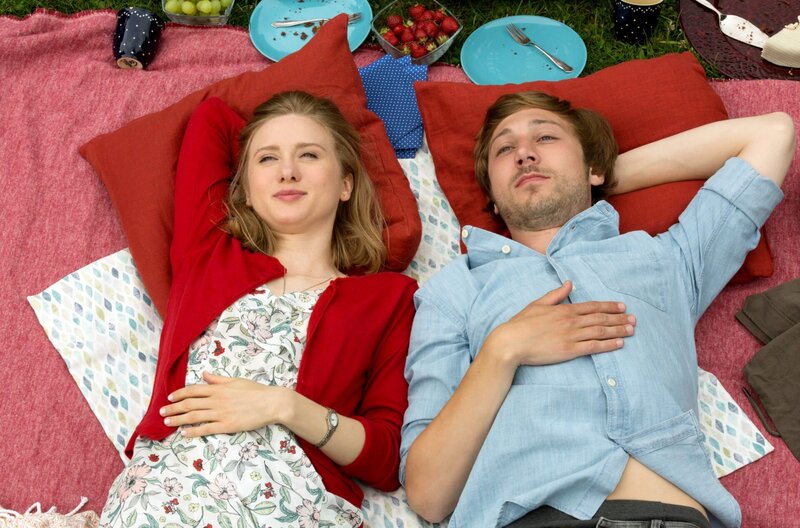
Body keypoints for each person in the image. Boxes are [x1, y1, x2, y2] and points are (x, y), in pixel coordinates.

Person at [400, 91, 795, 528]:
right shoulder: (454, 290)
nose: (524, 154)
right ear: (492, 196)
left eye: (545, 138)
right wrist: (503, 350)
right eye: (505, 149)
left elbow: (772, 134)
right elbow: (428, 495)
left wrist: (600, 176)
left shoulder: (667, 259)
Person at [99, 92, 417, 528]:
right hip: (160, 501)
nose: (287, 171)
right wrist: (280, 136)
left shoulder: (389, 298)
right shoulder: (208, 252)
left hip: (294, 509)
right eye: (268, 159)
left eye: (309, 155)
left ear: (346, 184)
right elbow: (211, 118)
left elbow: (386, 458)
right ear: (244, 189)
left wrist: (283, 406)